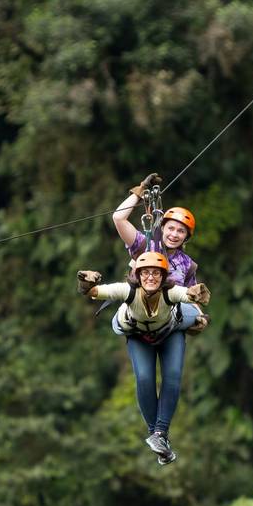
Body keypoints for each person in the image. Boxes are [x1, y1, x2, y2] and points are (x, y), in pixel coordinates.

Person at [78, 252, 211, 466]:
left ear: (163, 277)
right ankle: (157, 437)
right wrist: (86, 283)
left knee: (174, 376)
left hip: (169, 331)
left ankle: (160, 433)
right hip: (138, 335)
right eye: (146, 273)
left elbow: (190, 295)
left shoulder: (170, 292)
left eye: (156, 274)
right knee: (144, 378)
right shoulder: (128, 290)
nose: (151, 278)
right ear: (138, 276)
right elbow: (95, 292)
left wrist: (197, 294)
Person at [111, 173, 209, 335]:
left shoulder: (186, 264)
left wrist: (200, 317)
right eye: (171, 228)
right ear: (162, 228)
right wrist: (139, 192)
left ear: (186, 237)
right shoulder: (145, 244)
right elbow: (118, 218)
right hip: (139, 319)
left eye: (181, 231)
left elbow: (192, 296)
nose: (174, 234)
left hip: (169, 323)